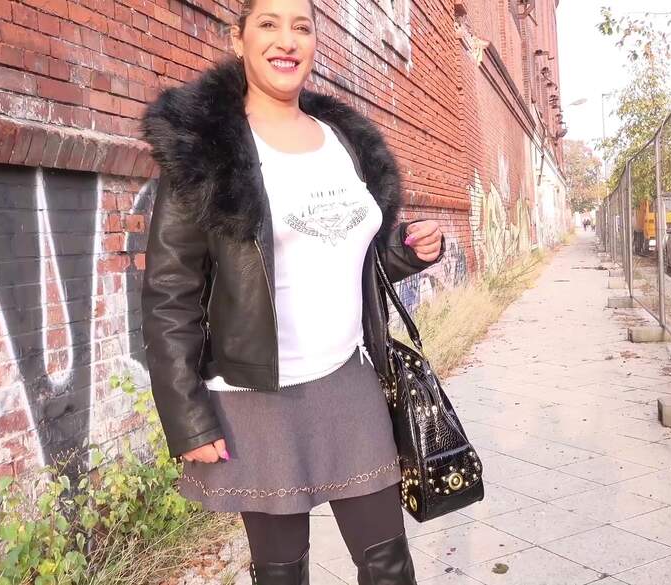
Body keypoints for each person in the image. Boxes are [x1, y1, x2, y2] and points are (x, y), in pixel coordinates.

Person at [140, 0, 444, 582]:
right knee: (281, 572)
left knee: (388, 564)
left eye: (301, 27)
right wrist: (186, 417)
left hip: (349, 379)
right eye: (269, 24)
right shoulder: (207, 150)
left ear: (313, 42)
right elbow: (169, 293)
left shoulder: (344, 141)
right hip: (256, 398)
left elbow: (353, 256)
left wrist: (410, 250)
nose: (287, 40)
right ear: (238, 39)